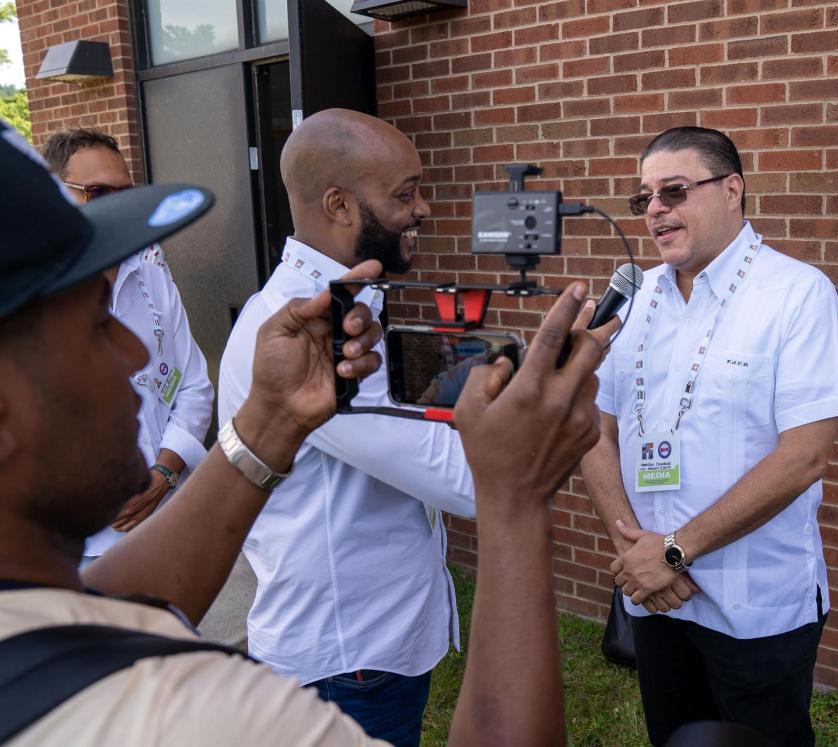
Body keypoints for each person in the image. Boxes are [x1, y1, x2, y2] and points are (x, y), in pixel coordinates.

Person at [0, 117, 604, 746]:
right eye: (96, 324)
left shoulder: (37, 622)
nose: (132, 354)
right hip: (347, 658)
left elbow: (107, 611)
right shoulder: (188, 712)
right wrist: (515, 505)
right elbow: (465, 482)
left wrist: (273, 421)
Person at [581, 126, 838, 747]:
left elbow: (804, 457)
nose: (656, 209)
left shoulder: (795, 295)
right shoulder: (634, 300)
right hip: (658, 598)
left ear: (733, 190)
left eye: (675, 191)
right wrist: (635, 551)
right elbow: (594, 428)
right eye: (645, 199)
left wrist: (672, 553)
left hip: (755, 603)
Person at [217, 109, 474, 746]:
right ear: (340, 205)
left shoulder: (338, 310)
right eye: (405, 193)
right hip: (347, 661)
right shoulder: (309, 330)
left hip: (364, 649)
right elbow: (467, 480)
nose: (423, 209)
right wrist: (561, 394)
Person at [40, 127, 213, 560]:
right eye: (98, 192)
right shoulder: (28, 292)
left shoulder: (149, 268)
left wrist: (165, 472)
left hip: (166, 519)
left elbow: (192, 384)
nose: (118, 207)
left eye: (126, 192)